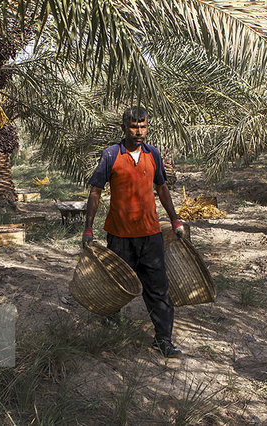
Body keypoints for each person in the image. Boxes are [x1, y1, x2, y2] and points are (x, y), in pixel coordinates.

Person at [82, 106, 185, 358]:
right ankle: (111, 321)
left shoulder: (153, 155)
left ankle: (163, 340)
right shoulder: (111, 155)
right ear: (124, 128)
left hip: (150, 235)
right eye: (133, 126)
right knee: (116, 284)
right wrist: (87, 229)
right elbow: (95, 191)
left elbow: (161, 188)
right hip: (119, 236)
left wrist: (175, 220)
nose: (139, 131)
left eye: (143, 126)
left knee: (158, 288)